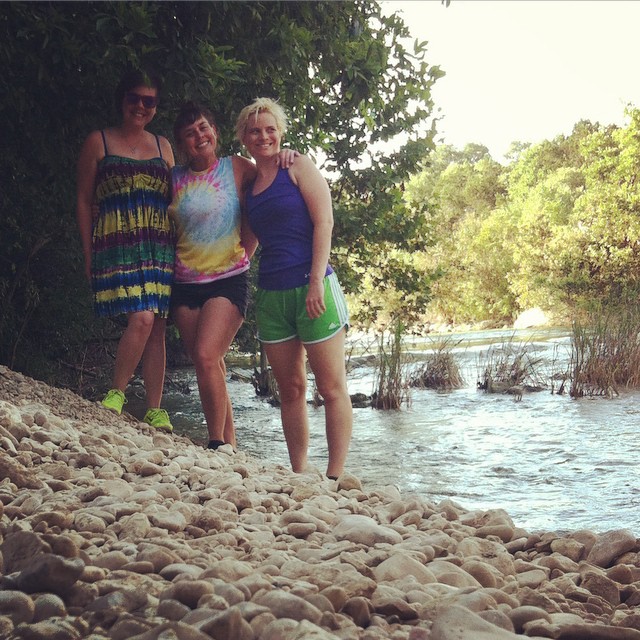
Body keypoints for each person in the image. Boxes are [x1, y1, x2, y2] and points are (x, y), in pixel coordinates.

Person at [236, 97, 353, 480]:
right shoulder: (251, 185)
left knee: (331, 387)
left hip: (313, 287)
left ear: (281, 132)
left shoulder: (297, 165)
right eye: (255, 130)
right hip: (271, 294)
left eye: (270, 129)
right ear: (245, 138)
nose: (264, 136)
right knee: (290, 389)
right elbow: (247, 244)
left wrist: (316, 281)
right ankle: (301, 473)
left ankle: (335, 477)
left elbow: (325, 222)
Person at [169, 102, 296, 451]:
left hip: (229, 279)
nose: (200, 136)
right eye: (191, 133)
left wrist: (286, 154)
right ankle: (231, 444)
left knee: (208, 356)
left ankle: (215, 444)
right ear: (182, 143)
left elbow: (271, 183)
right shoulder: (174, 178)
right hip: (184, 283)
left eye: (204, 127)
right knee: (207, 363)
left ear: (215, 133)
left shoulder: (237, 168)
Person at [76, 69, 175, 432]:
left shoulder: (164, 145)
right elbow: (85, 201)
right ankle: (116, 392)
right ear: (122, 99)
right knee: (144, 318)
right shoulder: (98, 142)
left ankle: (155, 409)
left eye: (149, 101)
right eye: (135, 97)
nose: (141, 106)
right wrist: (89, 253)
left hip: (159, 243)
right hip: (118, 243)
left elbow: (176, 198)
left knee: (158, 325)